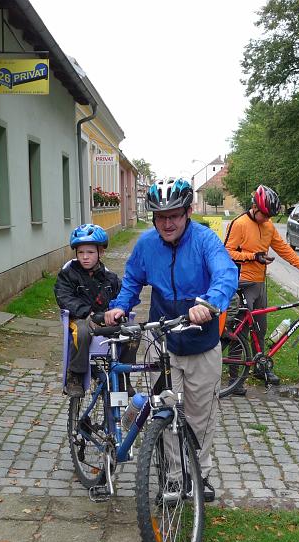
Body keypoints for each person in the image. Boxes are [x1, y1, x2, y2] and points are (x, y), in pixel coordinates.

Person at [105, 178, 238, 503]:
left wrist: (210, 302)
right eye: (160, 216)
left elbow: (226, 272)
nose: (167, 223)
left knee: (199, 416)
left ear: (188, 212)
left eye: (174, 215)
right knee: (165, 408)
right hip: (160, 339)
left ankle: (200, 474)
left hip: (201, 343)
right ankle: (175, 477)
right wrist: (121, 306)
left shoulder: (205, 240)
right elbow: (133, 278)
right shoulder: (147, 245)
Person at [224, 185, 299, 390]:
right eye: (264, 215)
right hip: (242, 283)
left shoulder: (268, 226)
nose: (267, 219)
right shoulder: (239, 224)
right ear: (254, 207)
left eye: (269, 216)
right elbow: (226, 253)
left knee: (260, 329)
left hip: (260, 284)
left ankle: (260, 368)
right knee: (239, 332)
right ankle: (234, 380)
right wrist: (253, 256)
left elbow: (285, 250)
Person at [55, 223, 122, 398]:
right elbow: (64, 297)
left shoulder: (110, 278)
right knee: (82, 331)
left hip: (102, 319)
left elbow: (121, 298)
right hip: (78, 319)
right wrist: (86, 313)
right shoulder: (68, 274)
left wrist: (118, 311)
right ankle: (75, 376)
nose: (85, 257)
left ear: (101, 252)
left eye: (90, 252)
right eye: (80, 252)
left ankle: (123, 377)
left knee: (131, 333)